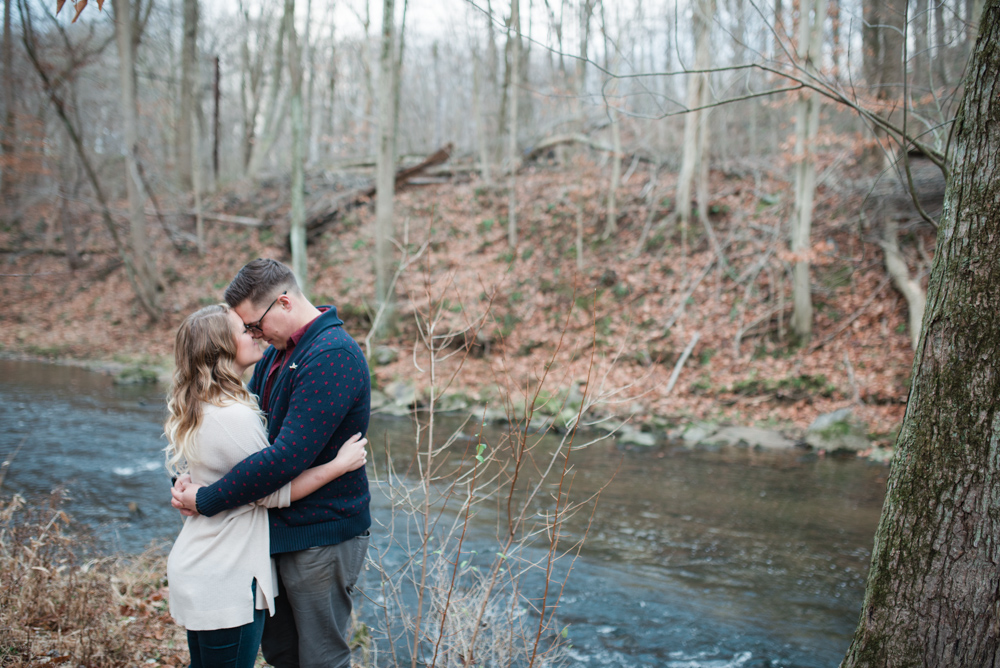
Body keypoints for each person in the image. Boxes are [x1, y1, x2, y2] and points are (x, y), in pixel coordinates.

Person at [172, 258, 372, 668]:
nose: (252, 334)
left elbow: (283, 459)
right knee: (281, 653)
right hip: (272, 533)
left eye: (254, 325)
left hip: (320, 533)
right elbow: (243, 448)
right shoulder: (278, 354)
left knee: (319, 658)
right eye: (246, 330)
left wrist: (207, 498)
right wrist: (192, 477)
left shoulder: (332, 354)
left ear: (283, 303)